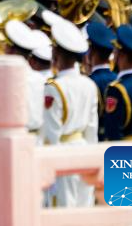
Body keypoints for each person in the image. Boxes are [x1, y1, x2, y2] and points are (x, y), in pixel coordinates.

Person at [42, 20, 98, 208]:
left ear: (56, 53)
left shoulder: (53, 88)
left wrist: (49, 164)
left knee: (62, 211)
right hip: (83, 151)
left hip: (63, 154)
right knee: (84, 208)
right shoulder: (89, 84)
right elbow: (92, 129)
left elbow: (51, 134)